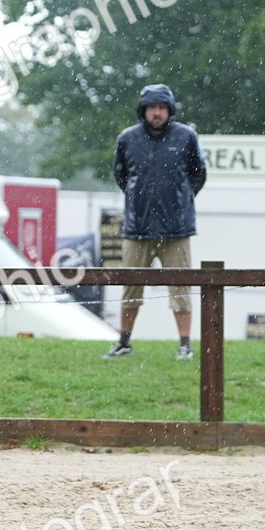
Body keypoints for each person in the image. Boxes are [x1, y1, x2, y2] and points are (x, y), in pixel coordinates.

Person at [104, 83, 207, 360]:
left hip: (177, 229)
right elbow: (122, 176)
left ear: (169, 110)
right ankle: (124, 342)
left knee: (181, 287)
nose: (157, 113)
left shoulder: (186, 137)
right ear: (144, 111)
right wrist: (140, 200)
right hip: (137, 229)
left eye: (162, 107)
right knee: (130, 288)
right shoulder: (127, 139)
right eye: (153, 107)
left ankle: (185, 345)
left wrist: (180, 199)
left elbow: (199, 175)